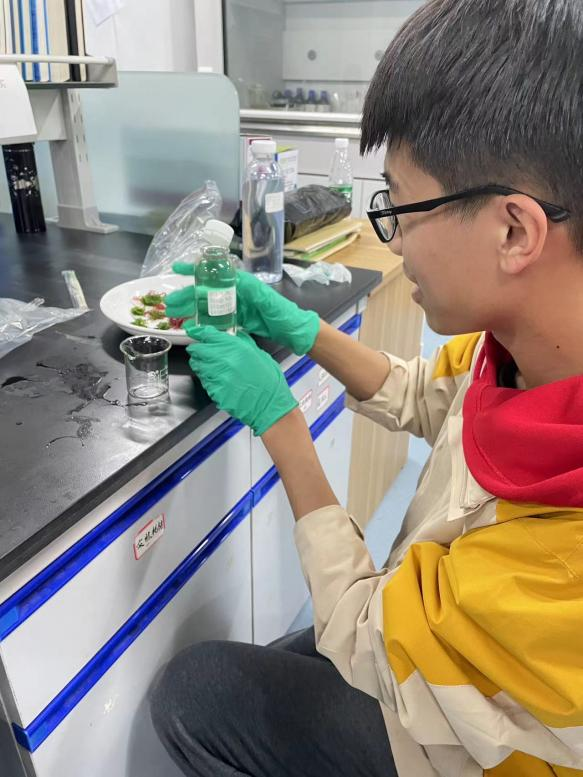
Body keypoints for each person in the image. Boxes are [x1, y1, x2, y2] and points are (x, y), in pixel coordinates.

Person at [150, 0, 583, 774]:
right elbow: (430, 395)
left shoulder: (560, 567)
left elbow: (366, 636)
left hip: (472, 750)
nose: (394, 237)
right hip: (438, 630)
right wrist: (300, 329)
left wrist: (280, 421)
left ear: (513, 230)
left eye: (401, 206)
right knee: (289, 651)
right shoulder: (531, 344)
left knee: (198, 689)